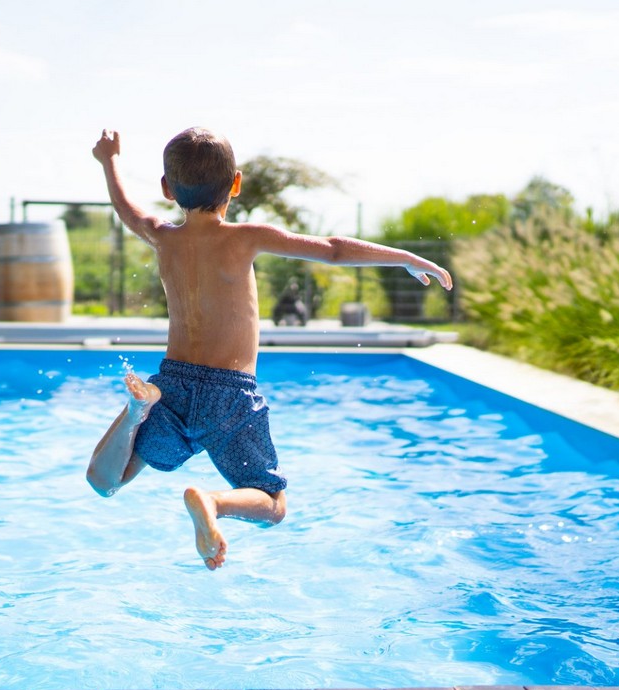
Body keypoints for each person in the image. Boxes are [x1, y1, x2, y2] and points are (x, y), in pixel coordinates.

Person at [85, 127, 453, 570]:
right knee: (274, 504)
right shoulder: (245, 238)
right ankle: (212, 501)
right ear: (235, 184)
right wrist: (406, 257)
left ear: (167, 189)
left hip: (172, 385)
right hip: (229, 394)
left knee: (106, 481)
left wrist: (109, 161)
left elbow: (126, 210)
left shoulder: (163, 237)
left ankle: (133, 414)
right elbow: (333, 250)